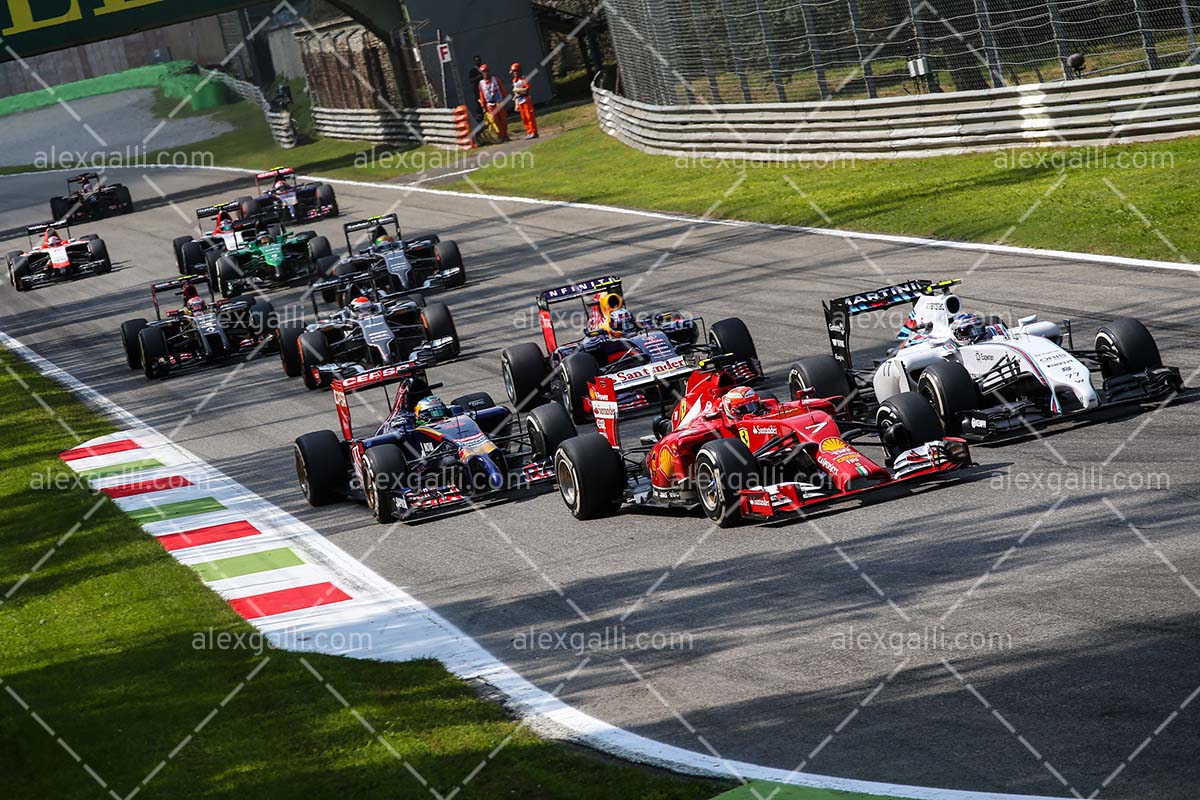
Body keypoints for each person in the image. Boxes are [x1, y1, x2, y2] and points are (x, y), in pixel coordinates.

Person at [477, 63, 509, 142]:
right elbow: (482, 95)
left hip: (499, 102)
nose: (486, 73)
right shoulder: (481, 83)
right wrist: (483, 106)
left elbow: (502, 89)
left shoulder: (495, 79)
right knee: (495, 120)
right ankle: (500, 136)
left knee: (503, 119)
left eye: (486, 71)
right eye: (484, 72)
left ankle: (505, 134)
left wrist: (505, 98)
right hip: (490, 104)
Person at [510, 63, 538, 139]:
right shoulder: (514, 81)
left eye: (515, 71)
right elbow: (515, 93)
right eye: (513, 72)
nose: (514, 73)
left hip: (525, 100)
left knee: (529, 116)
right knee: (524, 118)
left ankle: (534, 132)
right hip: (519, 100)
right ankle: (529, 132)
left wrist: (518, 90)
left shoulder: (524, 79)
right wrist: (516, 104)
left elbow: (527, 89)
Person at [467, 55, 485, 122]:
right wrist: (479, 77)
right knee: (479, 103)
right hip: (477, 89)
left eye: (479, 60)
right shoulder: (473, 71)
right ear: (474, 62)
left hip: (485, 88)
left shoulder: (483, 69)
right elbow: (471, 80)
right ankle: (479, 116)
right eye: (476, 60)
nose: (478, 62)